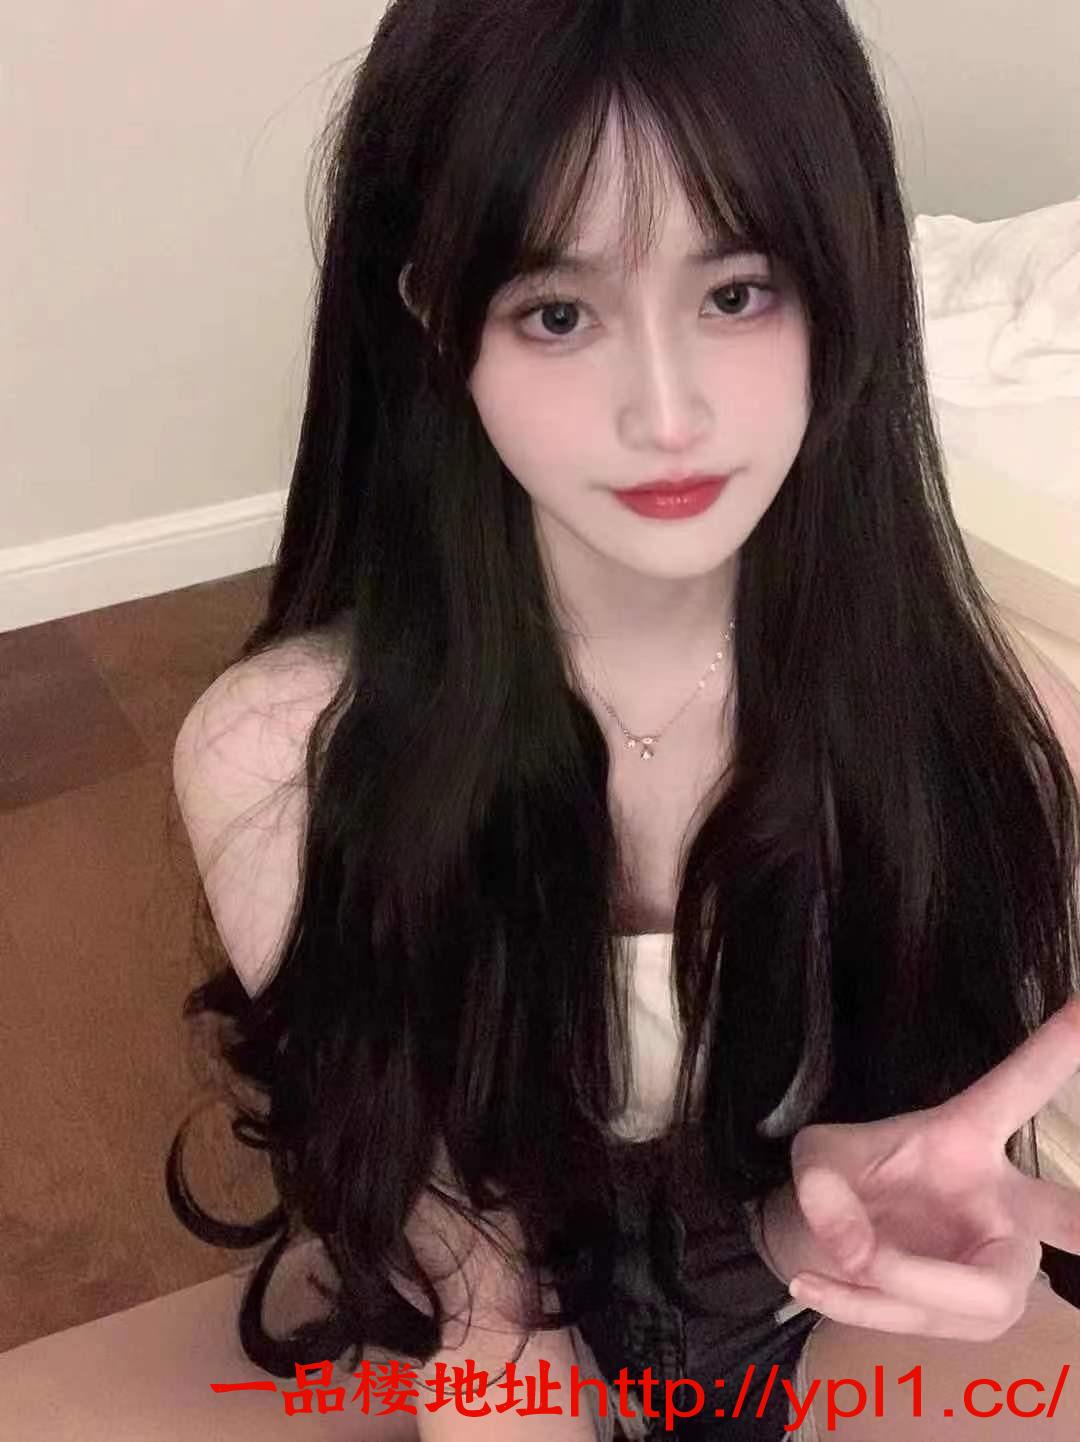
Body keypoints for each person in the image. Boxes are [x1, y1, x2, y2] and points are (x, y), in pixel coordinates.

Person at [166, 0, 1080, 1437]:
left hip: (830, 1310)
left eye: (738, 293)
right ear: (435, 317)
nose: (667, 413)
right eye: (559, 311)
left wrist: (813, 1242)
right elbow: (486, 1299)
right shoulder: (287, 761)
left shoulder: (986, 727)